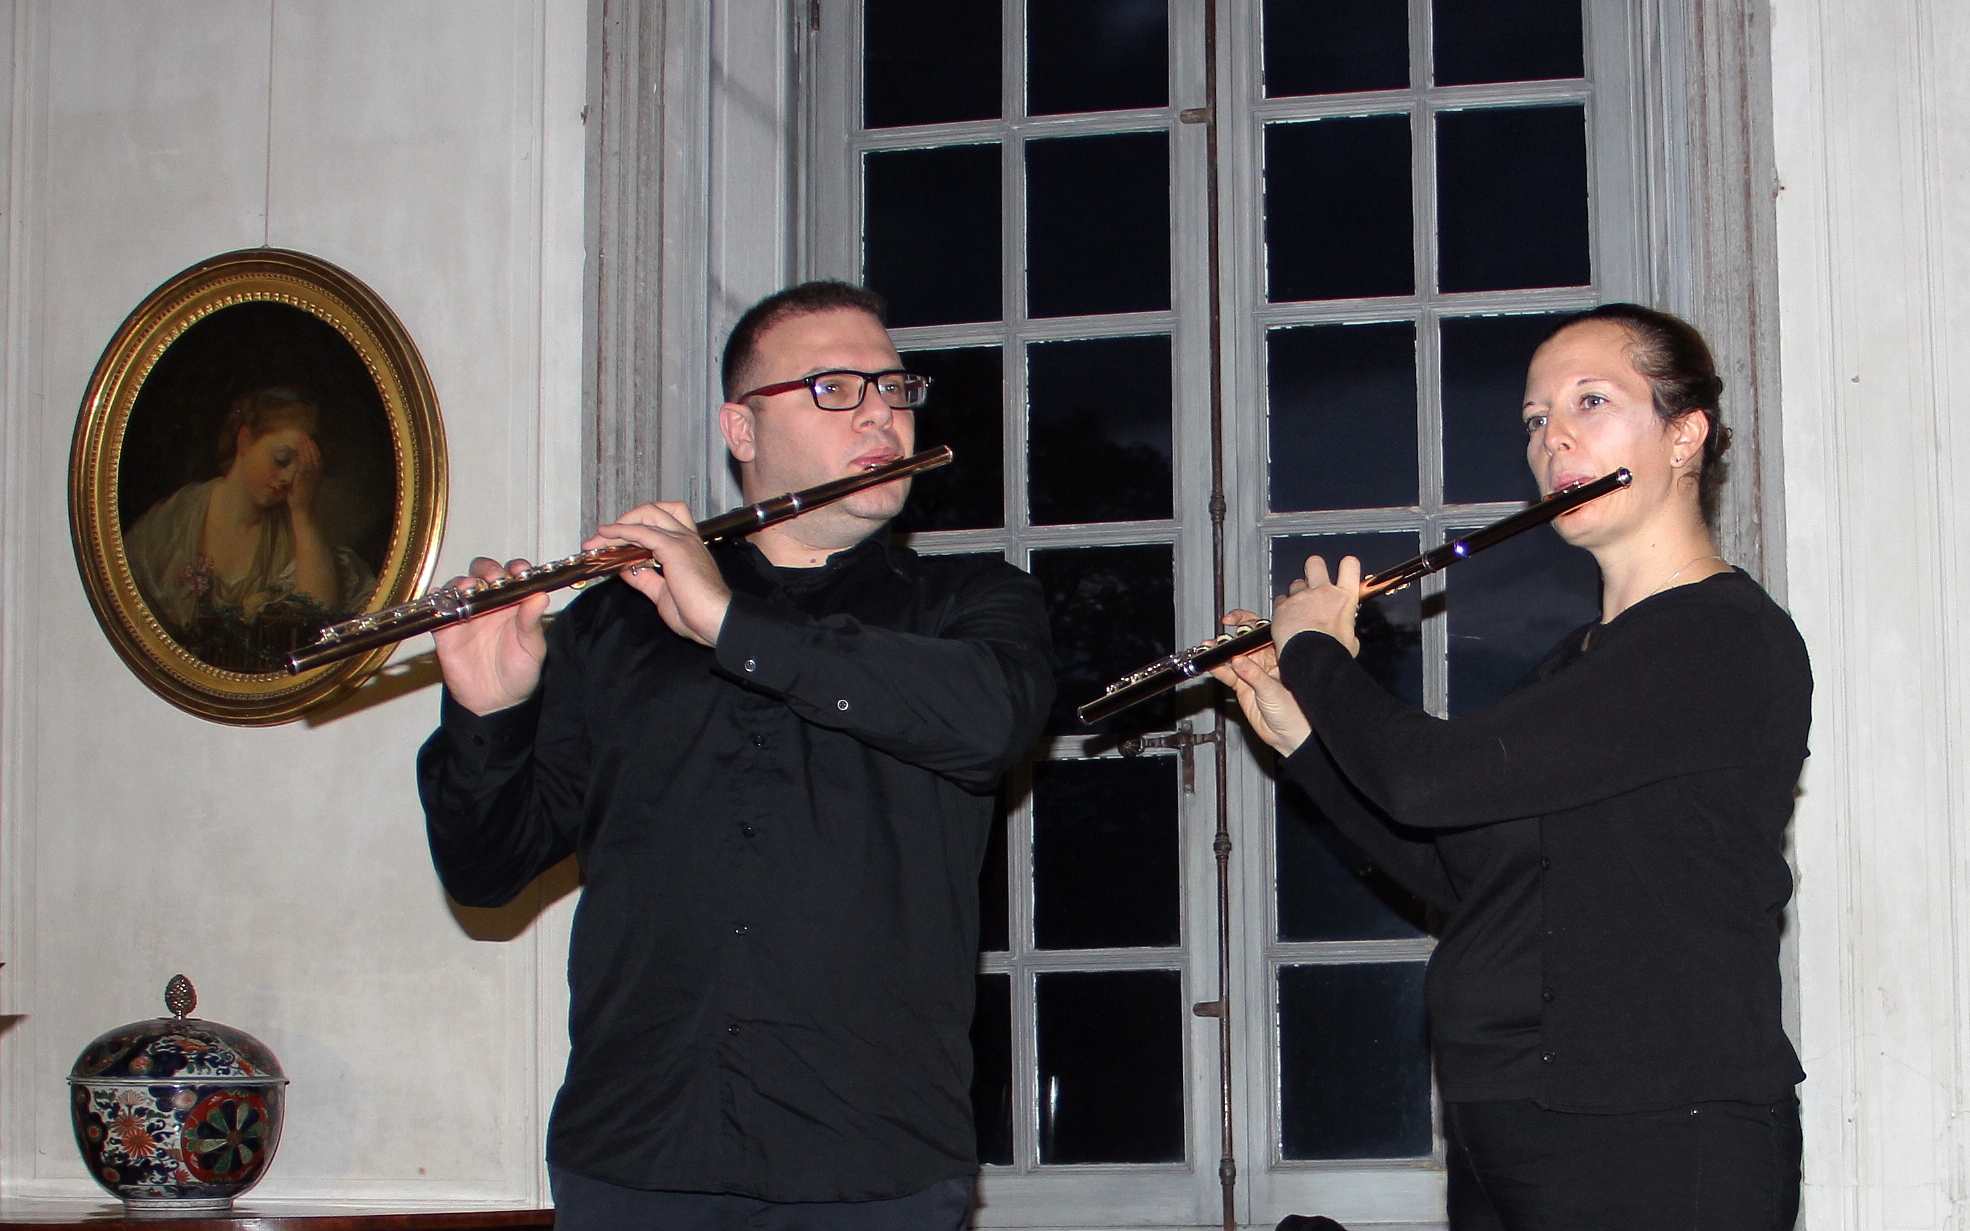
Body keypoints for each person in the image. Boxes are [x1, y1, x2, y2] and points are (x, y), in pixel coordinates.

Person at [416, 281, 1054, 1230]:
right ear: (741, 429)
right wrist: (488, 712)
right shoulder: (611, 625)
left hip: (872, 1166)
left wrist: (726, 622)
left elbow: (990, 722)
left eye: (894, 387)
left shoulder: (972, 606)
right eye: (837, 388)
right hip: (637, 1156)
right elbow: (484, 867)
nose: (882, 410)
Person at [1213, 304, 1810, 1230]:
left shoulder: (1718, 639)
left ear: (1684, 434)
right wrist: (1300, 739)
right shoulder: (1580, 665)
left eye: (1592, 401)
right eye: (1536, 419)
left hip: (1657, 1135)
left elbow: (1426, 776)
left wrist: (1318, 654)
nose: (1554, 436)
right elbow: (1455, 865)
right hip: (1509, 1127)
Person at [124, 387, 376, 672]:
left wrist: (302, 512)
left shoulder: (297, 535)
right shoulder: (173, 522)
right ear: (244, 440)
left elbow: (317, 620)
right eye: (281, 460)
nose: (289, 478)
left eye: (302, 468)